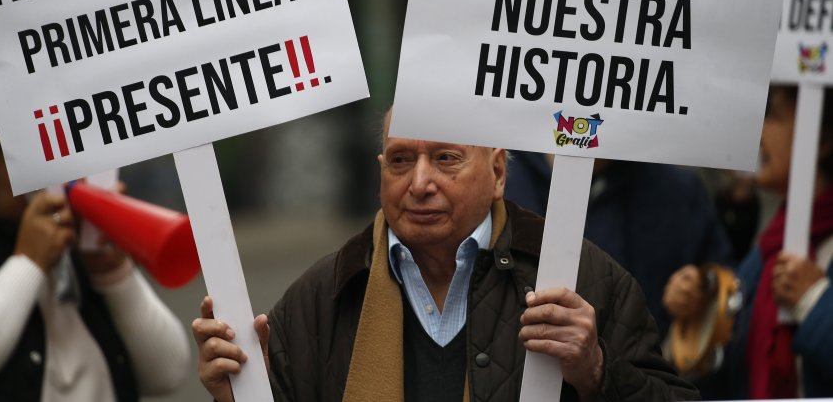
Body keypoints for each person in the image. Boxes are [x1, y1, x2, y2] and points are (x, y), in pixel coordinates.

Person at [193, 110, 699, 402]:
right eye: (400, 161)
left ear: (498, 172)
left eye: (445, 159)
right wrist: (238, 393)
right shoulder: (321, 295)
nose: (419, 183)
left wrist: (596, 371)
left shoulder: (581, 277)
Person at [0, 66, 191, 401]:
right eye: (32, 149)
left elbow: (168, 372)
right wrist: (28, 262)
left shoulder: (75, 232)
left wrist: (111, 272)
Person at [663, 85, 833, 398]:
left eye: (774, 115)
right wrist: (698, 320)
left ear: (821, 140)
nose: (758, 127)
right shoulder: (768, 250)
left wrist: (814, 301)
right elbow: (719, 375)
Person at [506, 154, 731, 338]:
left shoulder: (677, 191)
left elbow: (725, 290)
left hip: (641, 382)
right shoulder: (504, 178)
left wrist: (698, 297)